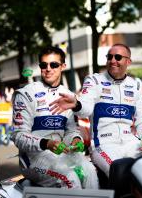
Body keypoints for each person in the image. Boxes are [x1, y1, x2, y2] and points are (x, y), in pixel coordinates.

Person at [49, 44, 142, 177]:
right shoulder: (94, 80)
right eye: (110, 57)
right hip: (103, 144)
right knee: (121, 174)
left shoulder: (136, 84)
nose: (113, 60)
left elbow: (141, 118)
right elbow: (85, 110)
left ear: (128, 61)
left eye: (118, 57)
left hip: (130, 141)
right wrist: (76, 104)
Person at [11, 46, 98, 189]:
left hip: (61, 155)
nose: (48, 69)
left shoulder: (68, 95)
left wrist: (76, 139)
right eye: (43, 65)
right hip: (34, 159)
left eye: (54, 65)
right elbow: (18, 136)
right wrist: (47, 144)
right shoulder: (26, 94)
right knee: (70, 179)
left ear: (63, 66)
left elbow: (71, 131)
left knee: (90, 172)